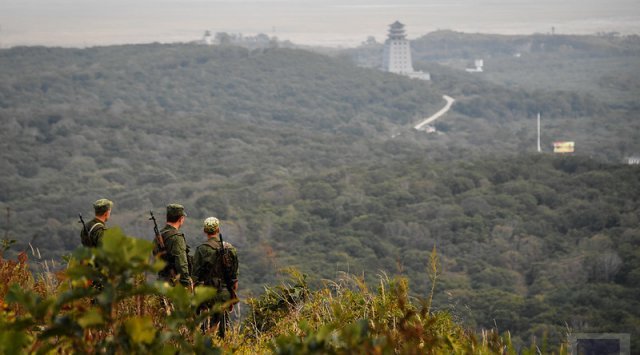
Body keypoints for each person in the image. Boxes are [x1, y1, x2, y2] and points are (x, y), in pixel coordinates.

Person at [193, 217, 238, 337]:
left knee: (205, 330)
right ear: (218, 229)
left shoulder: (201, 249)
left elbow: (195, 277)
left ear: (204, 231)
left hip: (207, 294)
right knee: (224, 330)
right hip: (224, 293)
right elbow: (234, 279)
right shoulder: (230, 249)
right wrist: (232, 294)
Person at [155, 203, 193, 288]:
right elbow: (181, 263)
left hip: (160, 282)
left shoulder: (159, 236)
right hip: (174, 284)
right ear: (181, 219)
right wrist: (186, 283)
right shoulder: (176, 237)